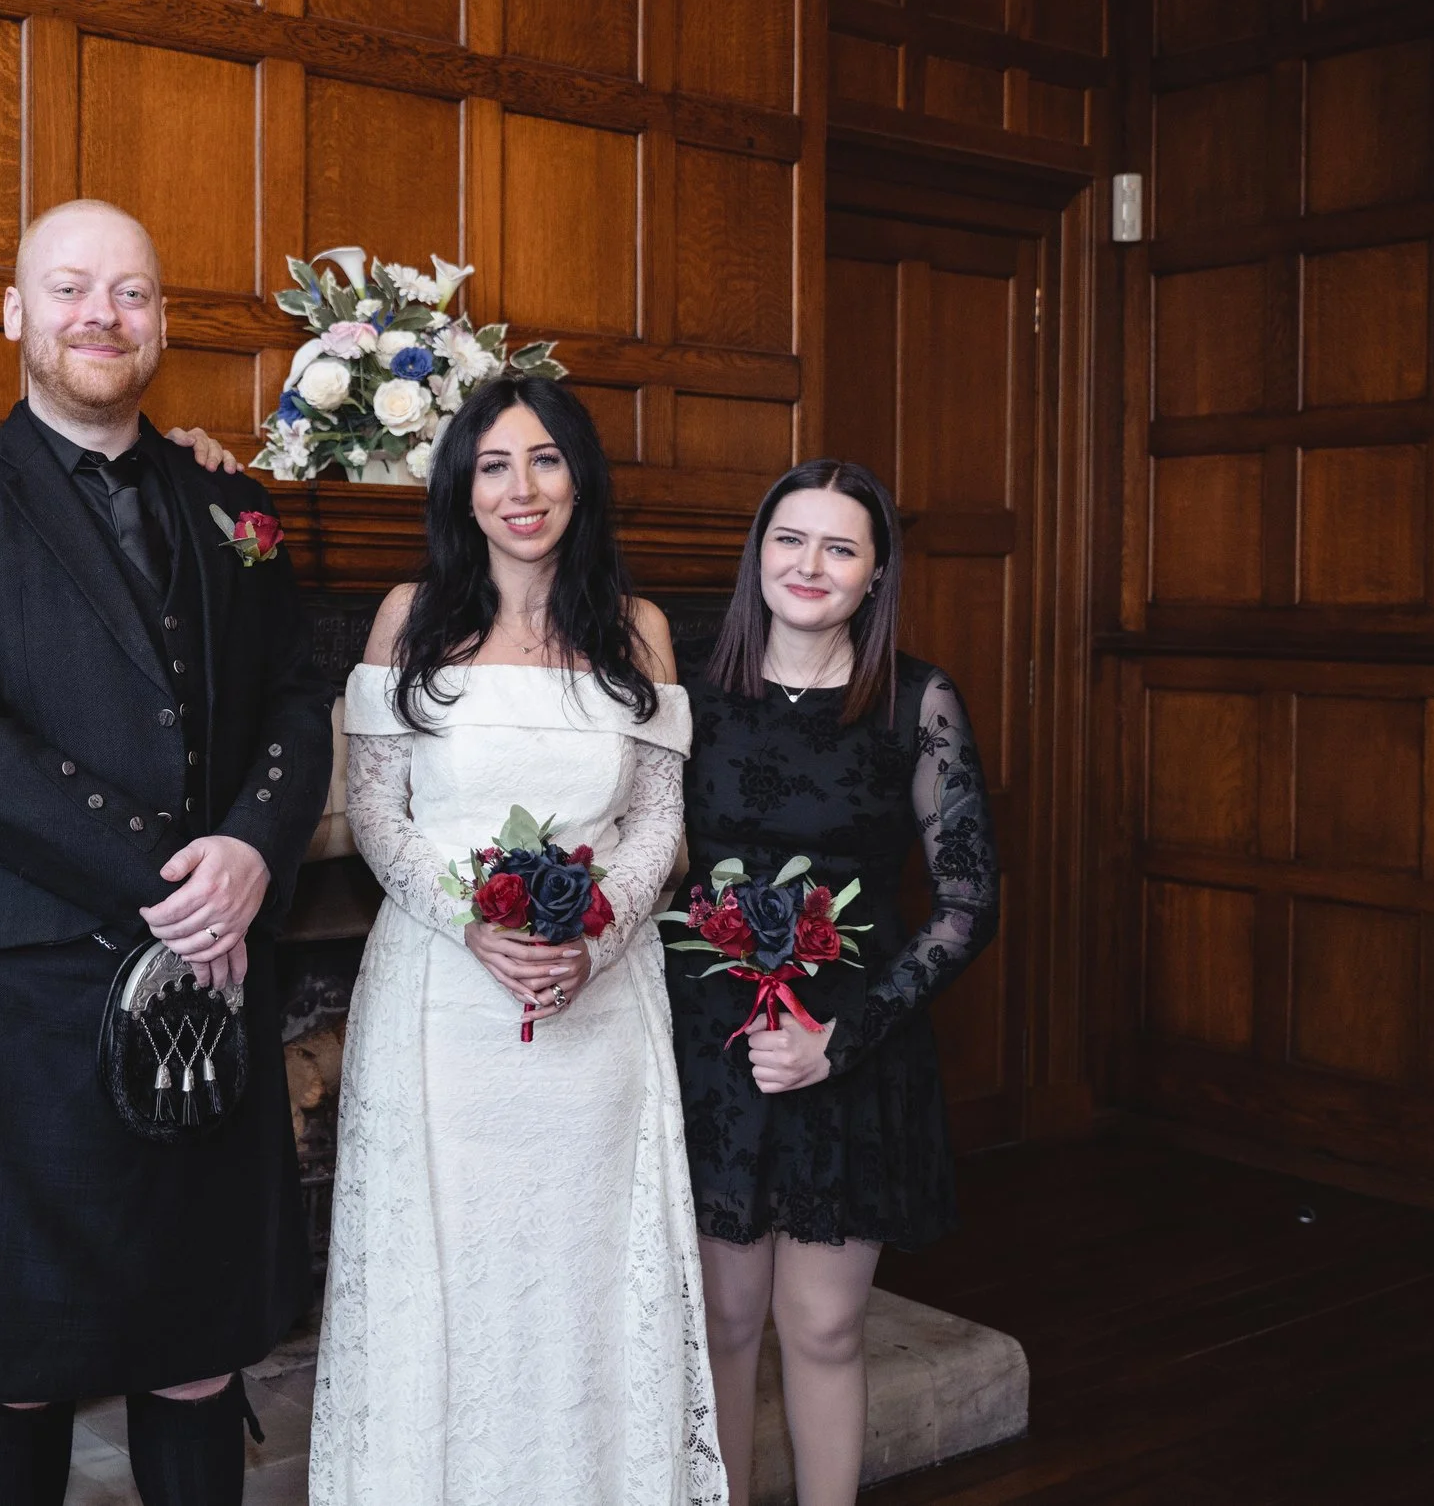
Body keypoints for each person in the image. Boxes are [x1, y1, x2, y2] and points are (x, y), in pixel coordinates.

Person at [0, 198, 332, 1506]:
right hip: (11, 984)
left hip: (211, 978)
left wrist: (253, 844)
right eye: (70, 288)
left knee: (196, 1349)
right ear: (17, 314)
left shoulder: (234, 499)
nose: (101, 315)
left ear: (161, 321)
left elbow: (299, 694)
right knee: (10, 1358)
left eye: (130, 292)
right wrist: (180, 872)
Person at [310, 378, 727, 1506]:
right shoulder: (410, 616)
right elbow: (379, 813)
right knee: (451, 1280)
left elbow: (656, 817)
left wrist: (594, 933)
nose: (521, 488)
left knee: (586, 1277)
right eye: (493, 465)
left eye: (544, 460)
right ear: (461, 486)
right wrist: (474, 924)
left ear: (579, 476)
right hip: (442, 1010)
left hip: (598, 1014)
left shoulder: (634, 628)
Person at [665, 459, 999, 1506]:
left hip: (849, 1044)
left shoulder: (915, 698)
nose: (808, 564)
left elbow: (965, 903)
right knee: (718, 1322)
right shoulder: (685, 688)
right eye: (789, 539)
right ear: (756, 553)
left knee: (824, 1322)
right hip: (710, 1047)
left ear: (874, 574)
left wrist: (838, 1038)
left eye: (839, 546)